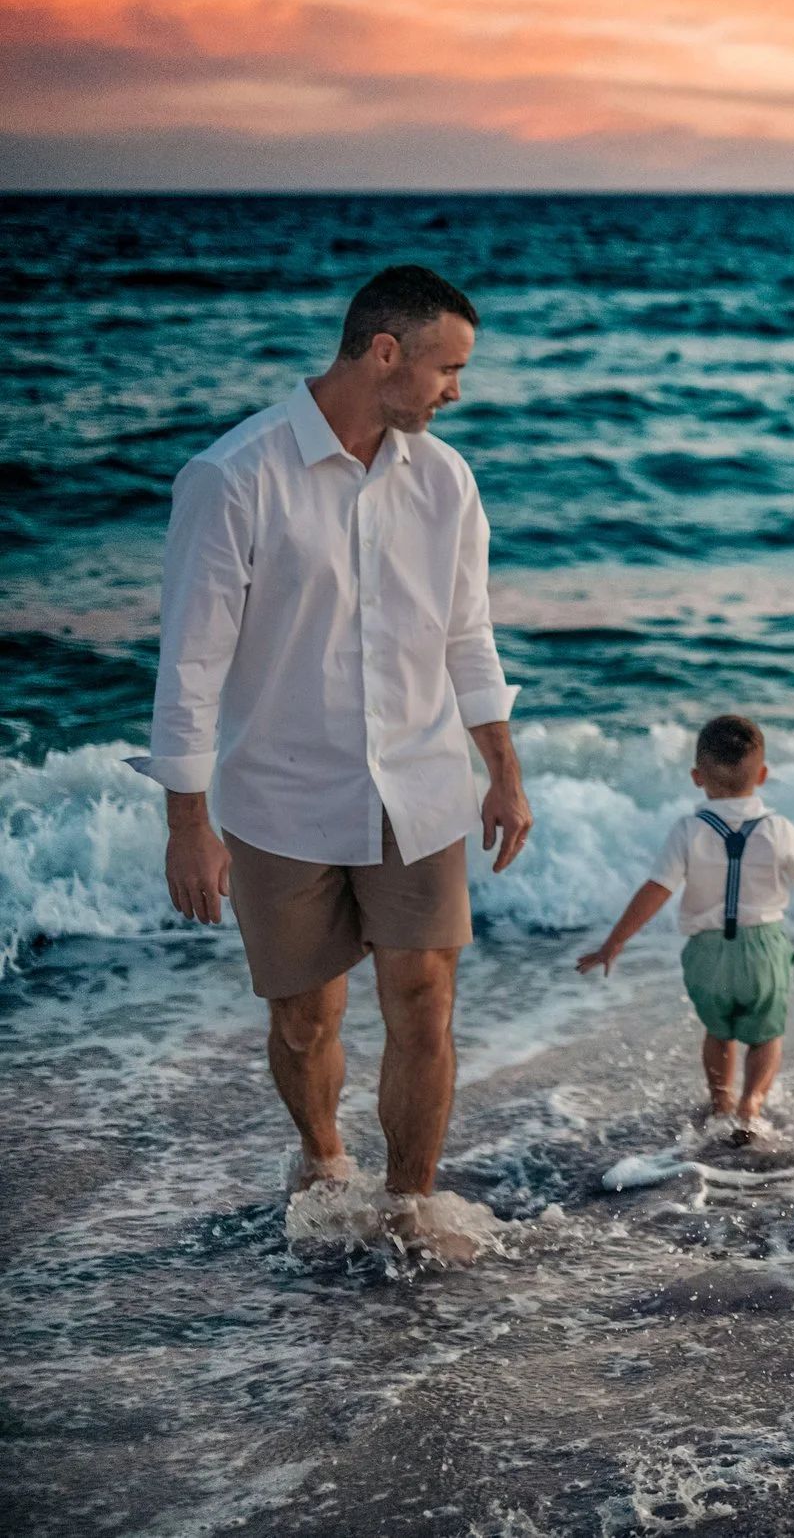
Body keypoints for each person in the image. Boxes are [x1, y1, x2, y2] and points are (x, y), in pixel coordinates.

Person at [135, 263, 533, 1262]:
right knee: (308, 1016)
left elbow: (468, 635)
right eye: (448, 368)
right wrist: (189, 823)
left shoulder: (445, 481)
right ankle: (322, 1158)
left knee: (423, 997)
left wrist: (505, 769)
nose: (457, 390)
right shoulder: (234, 476)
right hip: (281, 798)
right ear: (384, 353)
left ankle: (410, 1206)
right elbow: (189, 660)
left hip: (422, 786)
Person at [575, 714, 794, 1142]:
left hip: (706, 953)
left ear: (697, 776)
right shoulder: (777, 828)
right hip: (765, 951)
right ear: (763, 774)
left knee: (719, 1033)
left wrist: (614, 943)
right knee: (766, 1035)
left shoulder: (688, 830)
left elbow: (656, 890)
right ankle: (750, 1104)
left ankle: (720, 1101)